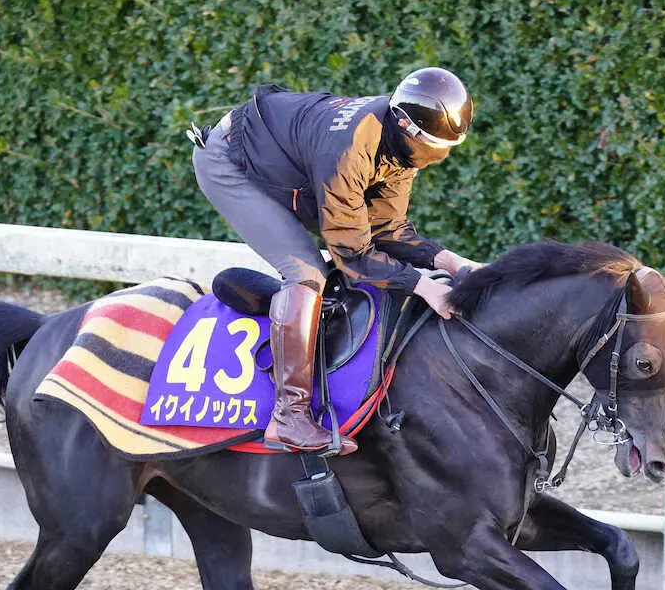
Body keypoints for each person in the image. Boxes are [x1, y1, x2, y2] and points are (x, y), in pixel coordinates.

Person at [191, 67, 480, 455]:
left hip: (279, 152)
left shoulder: (396, 142)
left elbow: (388, 231)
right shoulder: (350, 147)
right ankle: (289, 416)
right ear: (407, 126)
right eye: (433, 147)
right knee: (306, 272)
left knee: (332, 270)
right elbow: (353, 255)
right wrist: (426, 287)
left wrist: (453, 263)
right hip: (230, 160)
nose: (439, 158)